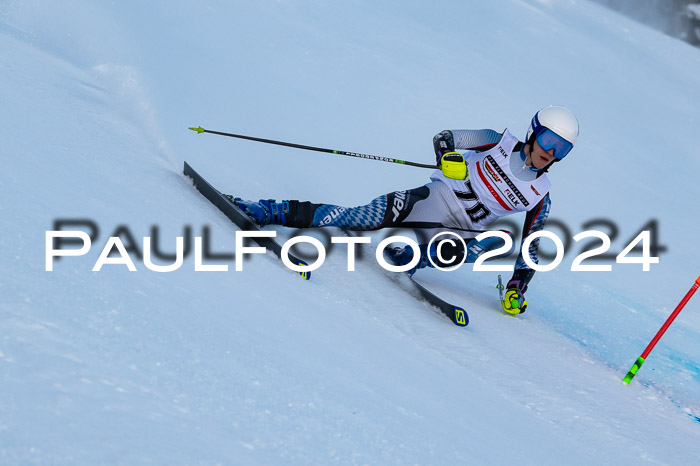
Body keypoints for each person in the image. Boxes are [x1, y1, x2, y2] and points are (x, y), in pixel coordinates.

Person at [232, 106, 579, 315]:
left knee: (500, 238)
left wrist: (518, 286)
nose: (551, 153)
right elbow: (445, 137)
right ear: (534, 132)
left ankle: (411, 258)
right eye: (549, 141)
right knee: (360, 219)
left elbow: (530, 247)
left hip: (456, 236)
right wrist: (449, 160)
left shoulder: (540, 194)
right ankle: (266, 210)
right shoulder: (494, 139)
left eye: (561, 149)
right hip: (432, 200)